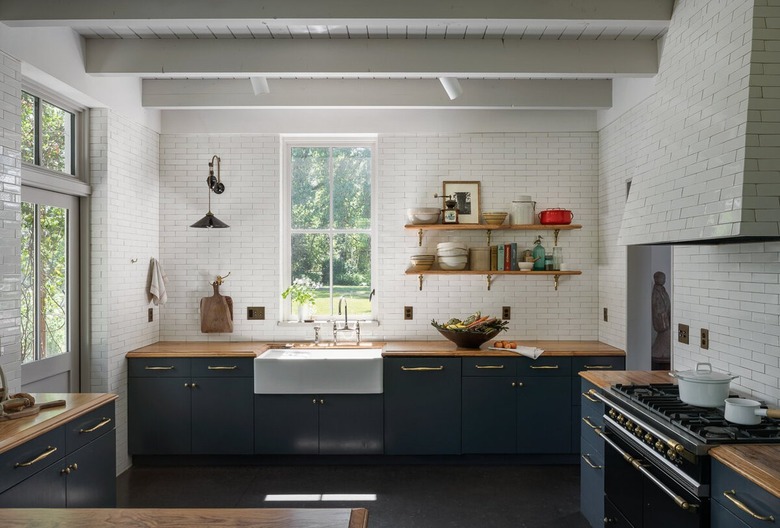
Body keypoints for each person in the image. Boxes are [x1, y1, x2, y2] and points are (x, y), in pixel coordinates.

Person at [651, 271, 671, 369]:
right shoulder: (656, 292)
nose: (664, 280)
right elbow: (657, 307)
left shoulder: (663, 290)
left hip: (666, 318)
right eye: (662, 278)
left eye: (664, 278)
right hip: (662, 321)